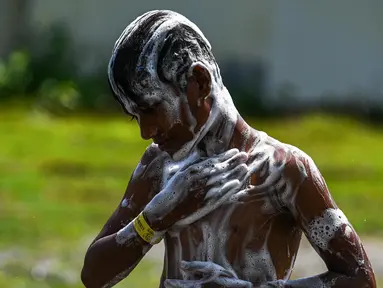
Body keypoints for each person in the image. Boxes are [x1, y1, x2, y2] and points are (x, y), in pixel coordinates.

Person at [81, 10, 376, 288]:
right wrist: (155, 218)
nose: (146, 132)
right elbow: (93, 276)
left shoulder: (284, 170)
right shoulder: (158, 165)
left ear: (199, 82)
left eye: (151, 109)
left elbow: (360, 278)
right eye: (135, 116)